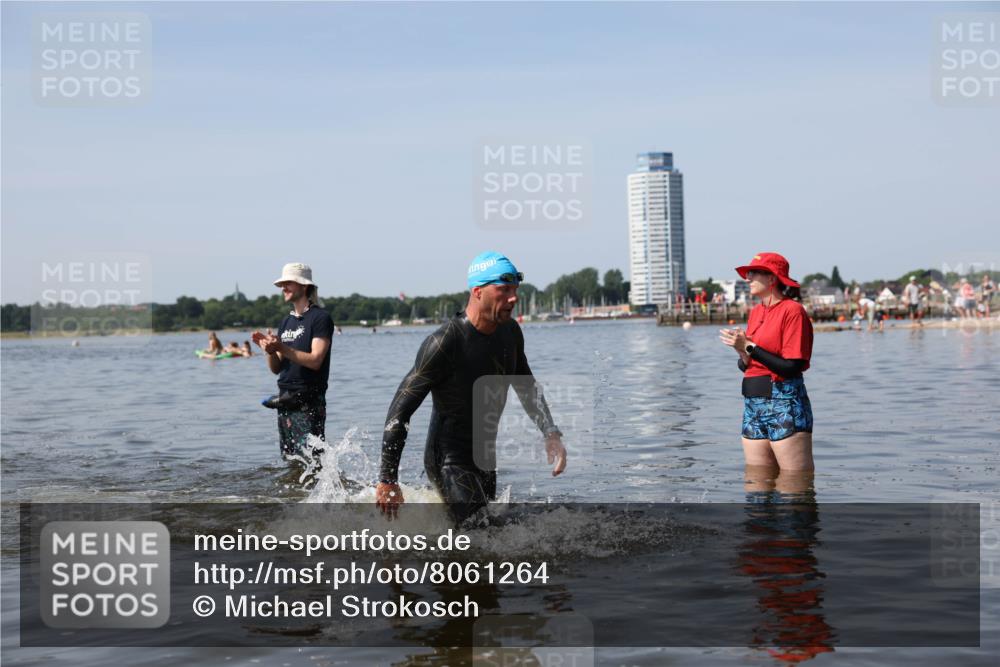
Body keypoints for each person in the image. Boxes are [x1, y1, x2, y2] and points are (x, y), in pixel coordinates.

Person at [375, 251, 567, 524]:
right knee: (481, 531)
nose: (513, 298)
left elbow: (526, 386)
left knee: (485, 540)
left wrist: (551, 432)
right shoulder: (445, 343)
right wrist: (387, 479)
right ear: (478, 292)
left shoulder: (510, 333)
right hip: (448, 461)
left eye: (515, 289)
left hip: (485, 459)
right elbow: (400, 410)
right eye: (503, 290)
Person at [720, 252, 814, 471]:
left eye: (754, 273)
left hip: (784, 402)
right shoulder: (755, 312)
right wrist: (743, 354)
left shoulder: (793, 311)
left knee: (794, 487)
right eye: (748, 273)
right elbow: (750, 363)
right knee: (756, 485)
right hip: (753, 403)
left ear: (772, 279)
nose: (748, 277)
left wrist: (750, 347)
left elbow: (793, 366)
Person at [252, 263, 334, 460]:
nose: (283, 288)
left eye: (288, 283)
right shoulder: (286, 321)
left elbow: (316, 360)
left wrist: (281, 347)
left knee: (312, 462)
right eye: (282, 284)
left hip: (309, 401)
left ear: (304, 286)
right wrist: (269, 351)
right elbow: (276, 368)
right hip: (285, 400)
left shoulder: (320, 318)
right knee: (291, 461)